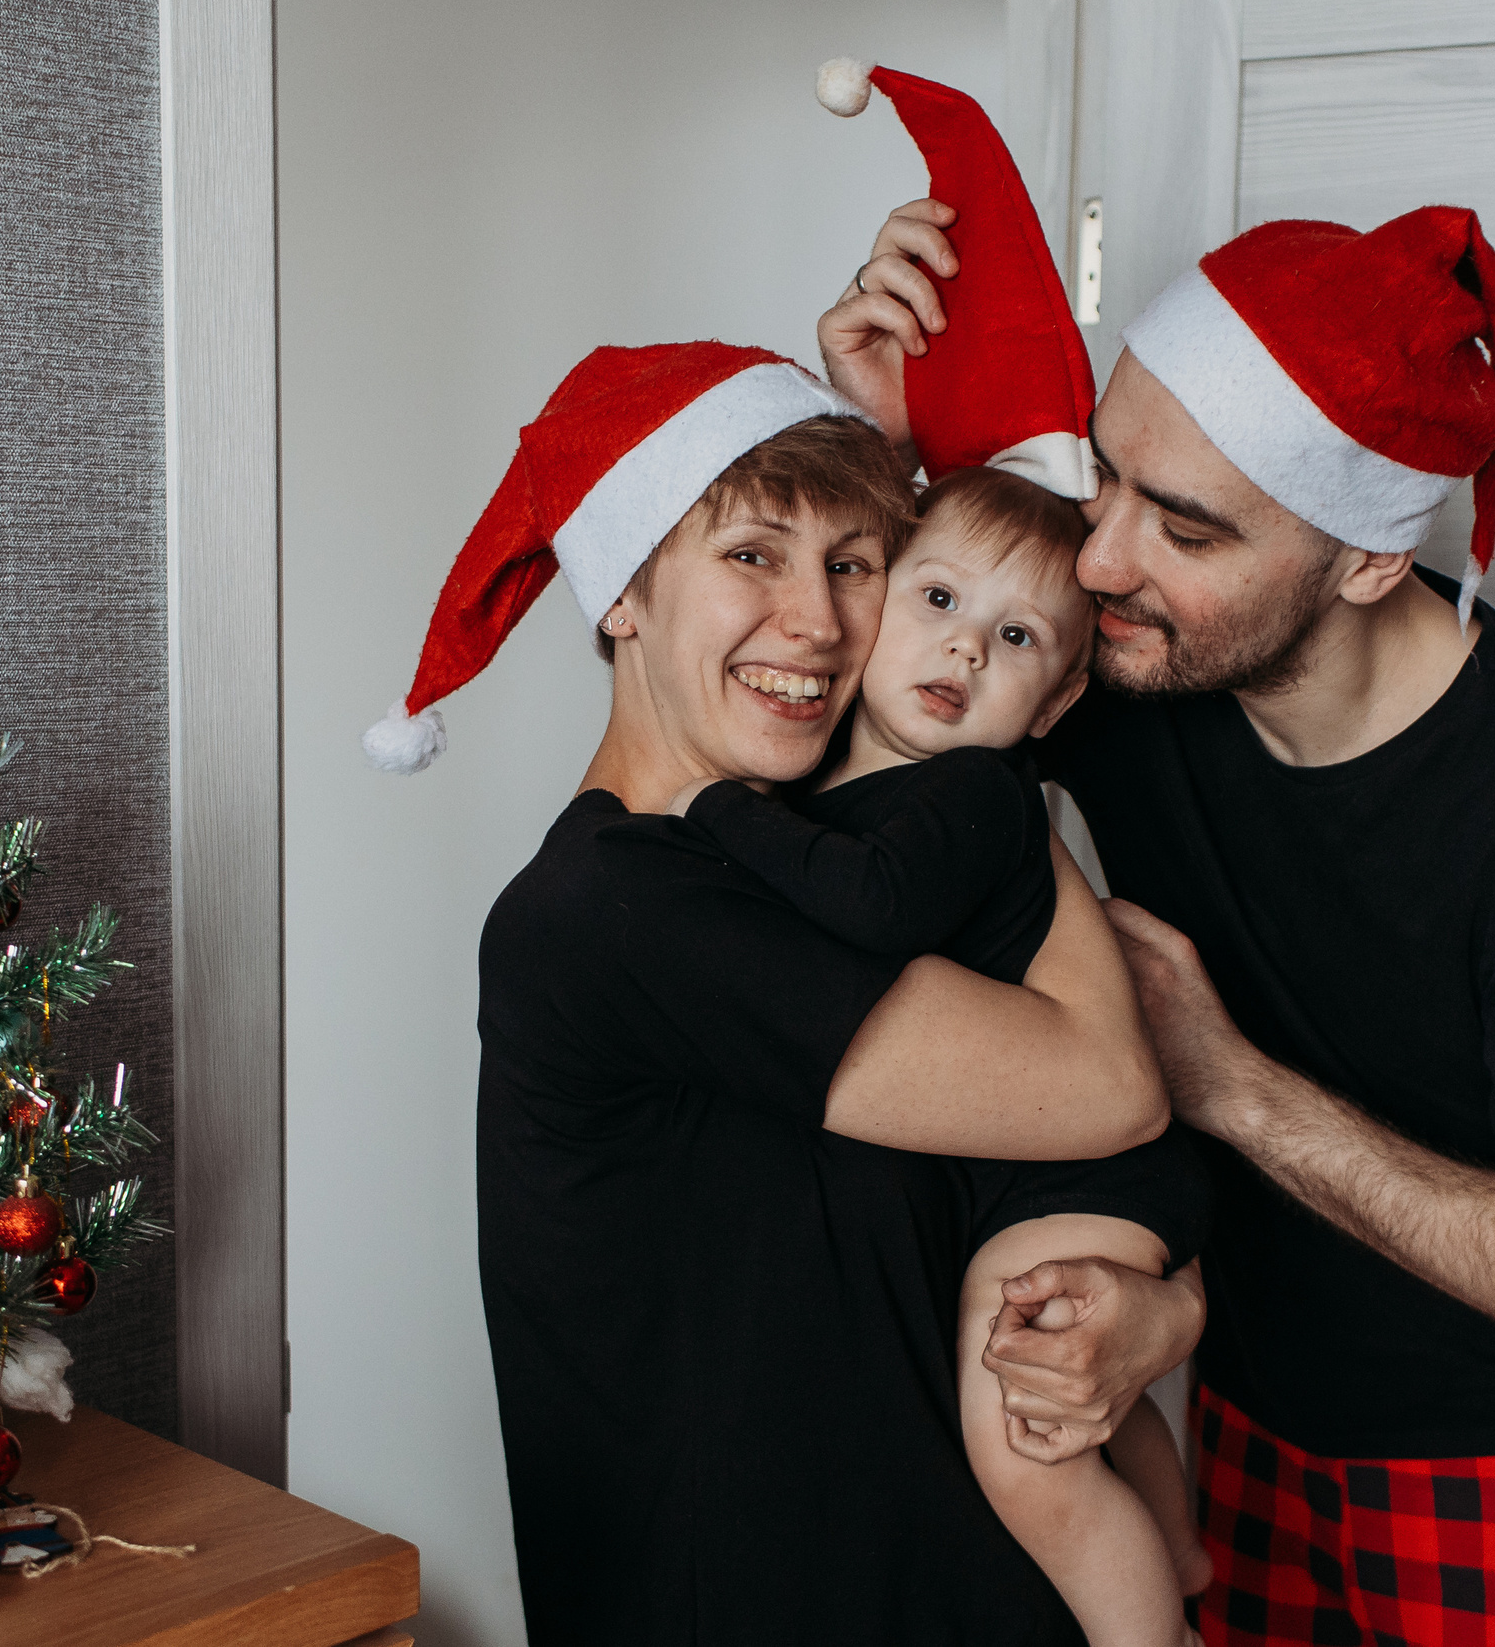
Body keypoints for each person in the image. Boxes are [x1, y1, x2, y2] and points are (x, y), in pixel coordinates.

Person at [821, 193, 1495, 1643]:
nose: (1101, 559)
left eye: (1180, 526)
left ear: (1362, 561)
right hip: (1243, 1429)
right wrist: (880, 447)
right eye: (1108, 482)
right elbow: (903, 675)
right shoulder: (1129, 659)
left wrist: (1227, 1081)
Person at [360, 338, 1211, 1644]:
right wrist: (994, 787)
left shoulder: (818, 857)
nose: (817, 621)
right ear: (625, 593)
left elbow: (988, 1206)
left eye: (853, 567)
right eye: (752, 554)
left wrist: (1166, 1304)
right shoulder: (626, 904)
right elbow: (1108, 1087)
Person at [671, 461, 1216, 1645]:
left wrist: (709, 806)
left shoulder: (974, 794)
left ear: (1059, 698)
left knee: (1021, 1440)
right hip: (1023, 1161)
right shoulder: (830, 778)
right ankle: (1171, 1549)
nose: (963, 651)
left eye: (1012, 636)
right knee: (1085, 1397)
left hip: (1075, 1171)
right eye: (934, 602)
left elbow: (872, 907)